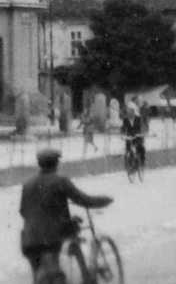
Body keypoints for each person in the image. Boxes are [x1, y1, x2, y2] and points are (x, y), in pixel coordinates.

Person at [19, 148, 113, 284]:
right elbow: (82, 199)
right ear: (56, 163)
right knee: (54, 273)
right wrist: (102, 201)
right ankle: (82, 275)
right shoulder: (60, 181)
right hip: (52, 237)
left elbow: (23, 211)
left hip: (29, 238)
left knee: (38, 274)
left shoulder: (28, 184)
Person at [122, 98, 147, 171]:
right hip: (129, 137)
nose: (129, 113)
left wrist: (141, 133)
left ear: (133, 112)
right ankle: (128, 165)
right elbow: (123, 128)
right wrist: (122, 134)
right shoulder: (125, 120)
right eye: (128, 112)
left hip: (137, 137)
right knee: (127, 151)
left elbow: (142, 127)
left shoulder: (138, 119)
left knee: (141, 148)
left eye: (130, 112)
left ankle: (142, 162)